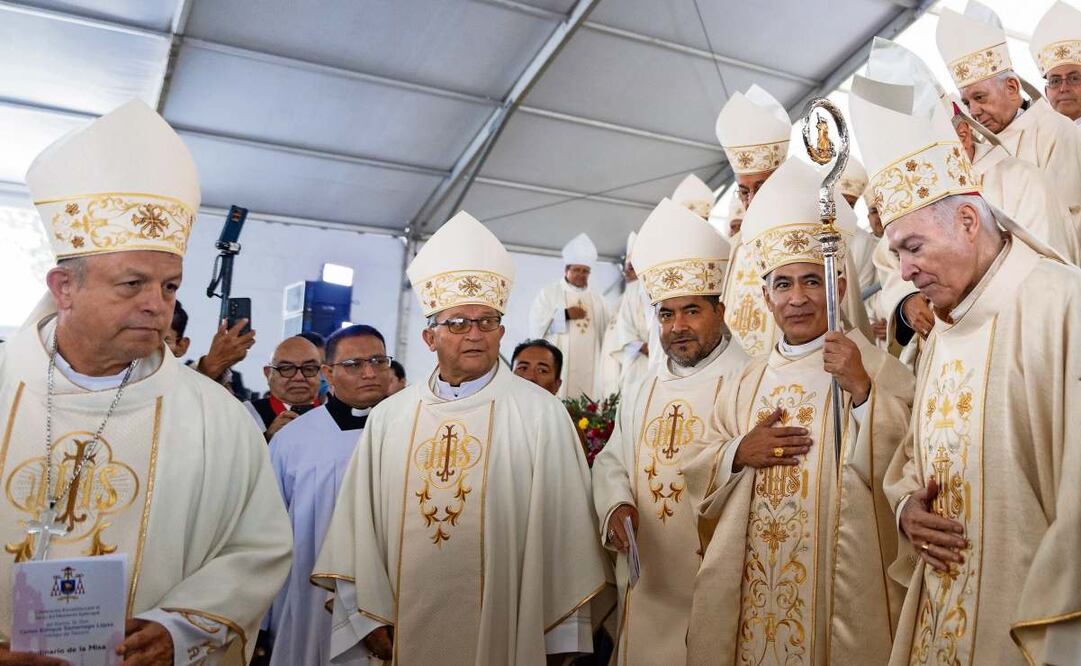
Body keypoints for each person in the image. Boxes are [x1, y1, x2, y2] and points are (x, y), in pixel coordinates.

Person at [0, 99, 291, 664]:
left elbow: (256, 546)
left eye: (169, 287)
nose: (155, 307)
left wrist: (176, 630)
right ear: (64, 288)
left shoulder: (218, 418)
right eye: (132, 284)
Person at [852, 66, 1081, 666]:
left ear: (968, 220)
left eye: (912, 248)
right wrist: (906, 511)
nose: (903, 274)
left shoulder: (1061, 304)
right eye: (896, 252)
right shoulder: (944, 329)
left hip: (1034, 622)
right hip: (943, 617)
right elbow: (911, 459)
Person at [313, 211, 608, 665]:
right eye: (458, 323)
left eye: (486, 322)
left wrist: (554, 639)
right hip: (401, 629)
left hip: (507, 632)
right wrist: (366, 617)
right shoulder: (391, 417)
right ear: (429, 337)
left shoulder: (541, 414)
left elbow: (564, 535)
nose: (474, 334)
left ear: (501, 332)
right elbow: (359, 526)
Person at [683, 158, 914, 665]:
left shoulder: (876, 367)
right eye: (783, 285)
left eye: (812, 281)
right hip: (754, 587)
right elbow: (698, 461)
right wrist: (738, 452)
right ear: (765, 298)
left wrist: (861, 393)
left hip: (840, 589)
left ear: (838, 287)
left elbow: (911, 464)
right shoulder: (747, 379)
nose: (798, 298)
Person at [591, 197, 748, 665]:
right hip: (649, 580)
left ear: (720, 312)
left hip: (716, 578)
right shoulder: (643, 385)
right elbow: (614, 458)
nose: (677, 327)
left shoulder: (750, 380)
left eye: (691, 311)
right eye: (666, 314)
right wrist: (615, 504)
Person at [263, 324, 392, 666]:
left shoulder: (411, 432)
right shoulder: (292, 441)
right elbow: (264, 534)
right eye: (354, 364)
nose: (369, 372)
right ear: (328, 373)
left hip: (391, 602)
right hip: (308, 601)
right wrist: (259, 624)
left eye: (379, 361)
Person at [937, 2, 1081, 234]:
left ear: (1012, 87)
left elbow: (1065, 218)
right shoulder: (979, 150)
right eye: (967, 103)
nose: (973, 111)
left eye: (980, 97)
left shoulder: (1054, 130)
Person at [715, 84, 790, 356]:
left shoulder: (809, 231)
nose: (751, 200)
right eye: (744, 191)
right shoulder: (738, 244)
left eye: (761, 187)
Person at [528, 233, 610, 400]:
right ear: (566, 270)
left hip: (591, 367)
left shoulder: (598, 300)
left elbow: (607, 333)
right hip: (561, 361)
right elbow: (537, 326)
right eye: (576, 270)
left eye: (585, 271)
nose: (581, 274)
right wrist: (564, 314)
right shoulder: (549, 294)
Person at [245, 336, 323, 441]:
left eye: (309, 368)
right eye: (286, 368)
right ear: (268, 373)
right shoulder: (247, 414)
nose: (299, 377)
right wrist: (267, 439)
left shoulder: (336, 413)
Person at [609, 232, 651, 394]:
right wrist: (642, 346)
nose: (628, 272)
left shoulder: (657, 287)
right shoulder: (629, 293)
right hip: (638, 356)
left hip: (660, 356)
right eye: (628, 268)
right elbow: (624, 326)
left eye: (633, 268)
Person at [1032, 1, 1081, 125]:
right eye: (1055, 81)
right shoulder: (1040, 137)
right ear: (1046, 92)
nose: (1063, 88)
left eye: (1074, 78)